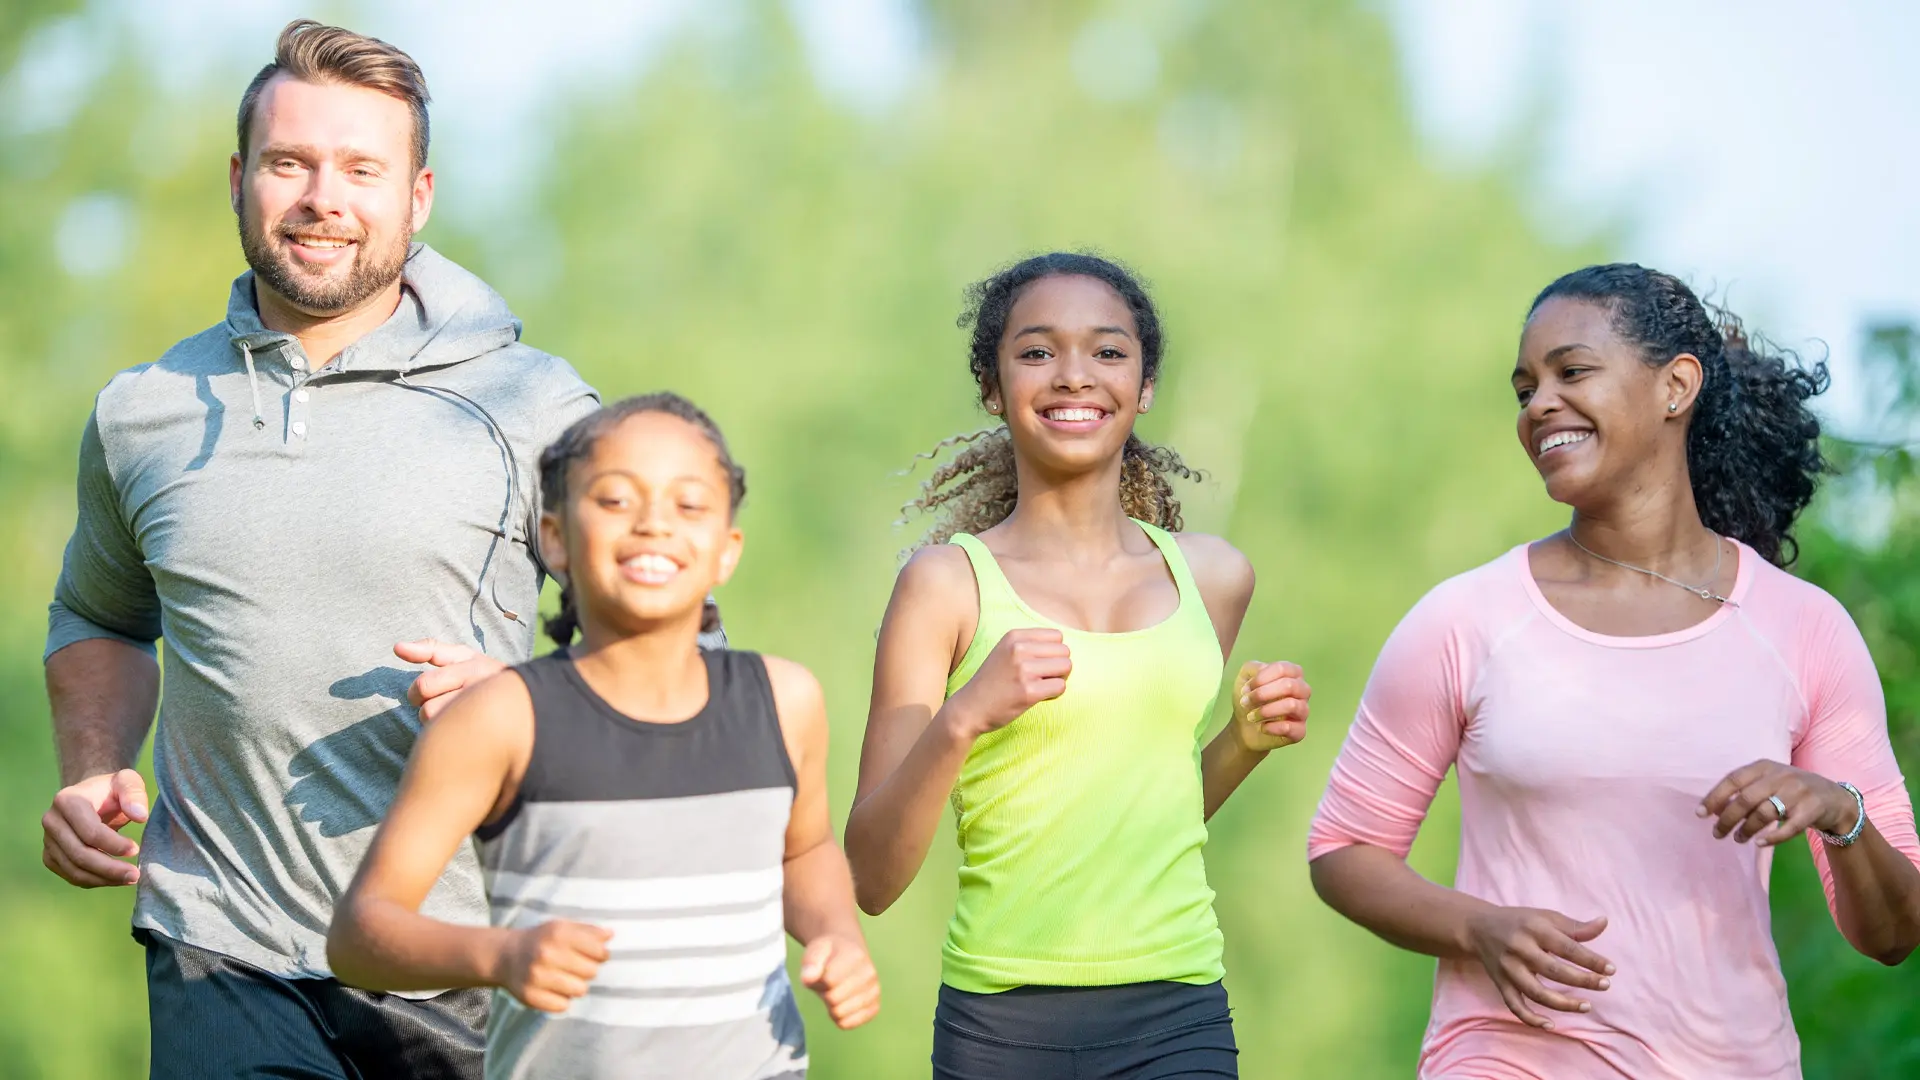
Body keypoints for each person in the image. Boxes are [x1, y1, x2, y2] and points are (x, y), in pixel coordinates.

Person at [34, 20, 676, 1077]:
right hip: (220, 946)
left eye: (361, 169)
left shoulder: (532, 403)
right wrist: (92, 771)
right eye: (290, 163)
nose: (322, 197)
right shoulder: (141, 411)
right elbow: (101, 615)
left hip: (467, 959)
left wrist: (532, 703)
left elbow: (669, 645)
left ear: (417, 197)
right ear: (241, 179)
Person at [1307, 263, 1920, 1079]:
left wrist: (1837, 809)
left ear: (1676, 386)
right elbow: (1345, 848)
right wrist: (1476, 927)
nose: (1538, 406)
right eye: (1524, 387)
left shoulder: (1803, 630)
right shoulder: (1465, 619)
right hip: (1504, 1058)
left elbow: (1892, 933)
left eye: (1572, 371)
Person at [846, 252, 1312, 1079]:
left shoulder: (1212, 578)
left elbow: (1146, 814)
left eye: (1106, 351)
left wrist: (1242, 742)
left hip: (1178, 1009)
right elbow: (871, 876)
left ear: (1145, 383)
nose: (1073, 376)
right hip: (999, 1024)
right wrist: (963, 718)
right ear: (993, 388)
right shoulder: (944, 587)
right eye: (1035, 352)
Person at [327, 393, 877, 1079]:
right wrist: (501, 956)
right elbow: (359, 935)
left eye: (689, 505)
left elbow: (806, 851)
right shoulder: (500, 718)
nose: (653, 523)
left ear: (726, 550)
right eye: (616, 500)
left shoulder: (785, 700)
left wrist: (836, 934)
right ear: (554, 537)